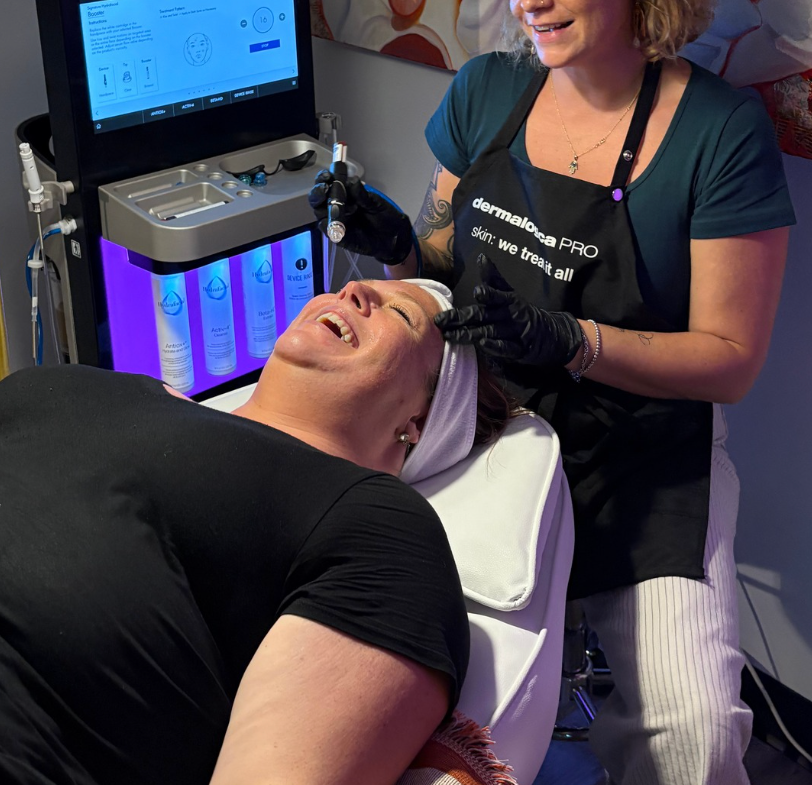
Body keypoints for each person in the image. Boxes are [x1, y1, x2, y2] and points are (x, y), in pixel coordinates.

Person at [309, 0, 796, 785]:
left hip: (640, 459)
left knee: (690, 734)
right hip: (482, 433)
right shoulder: (491, 92)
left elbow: (731, 358)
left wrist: (572, 340)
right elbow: (443, 252)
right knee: (414, 691)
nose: (527, 1)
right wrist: (393, 241)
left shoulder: (719, 134)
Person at [0, 276, 512, 785]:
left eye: (401, 315)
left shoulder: (383, 527)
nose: (354, 289)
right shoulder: (95, 385)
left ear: (419, 423)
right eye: (358, 284)